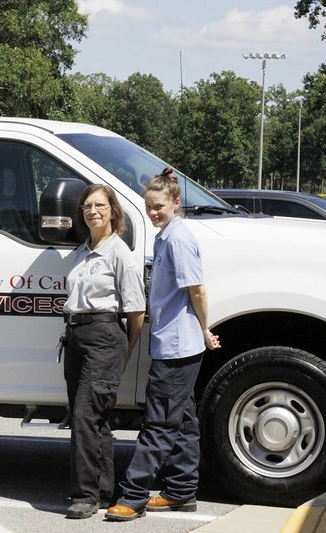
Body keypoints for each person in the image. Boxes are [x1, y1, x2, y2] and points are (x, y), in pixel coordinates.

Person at [106, 168, 221, 522]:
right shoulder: (166, 236)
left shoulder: (178, 239)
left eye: (159, 206)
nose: (153, 212)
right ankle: (182, 491)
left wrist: (204, 328)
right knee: (183, 421)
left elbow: (196, 289)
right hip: (174, 344)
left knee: (157, 424)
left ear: (176, 202)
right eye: (148, 206)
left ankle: (134, 496)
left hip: (177, 346)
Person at [63, 184, 146, 519]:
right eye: (86, 206)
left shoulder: (119, 253)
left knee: (86, 415)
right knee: (92, 420)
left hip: (104, 336)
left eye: (99, 205)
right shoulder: (81, 252)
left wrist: (123, 352)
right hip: (76, 337)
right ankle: (103, 491)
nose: (92, 211)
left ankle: (85, 495)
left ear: (113, 210)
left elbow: (136, 311)